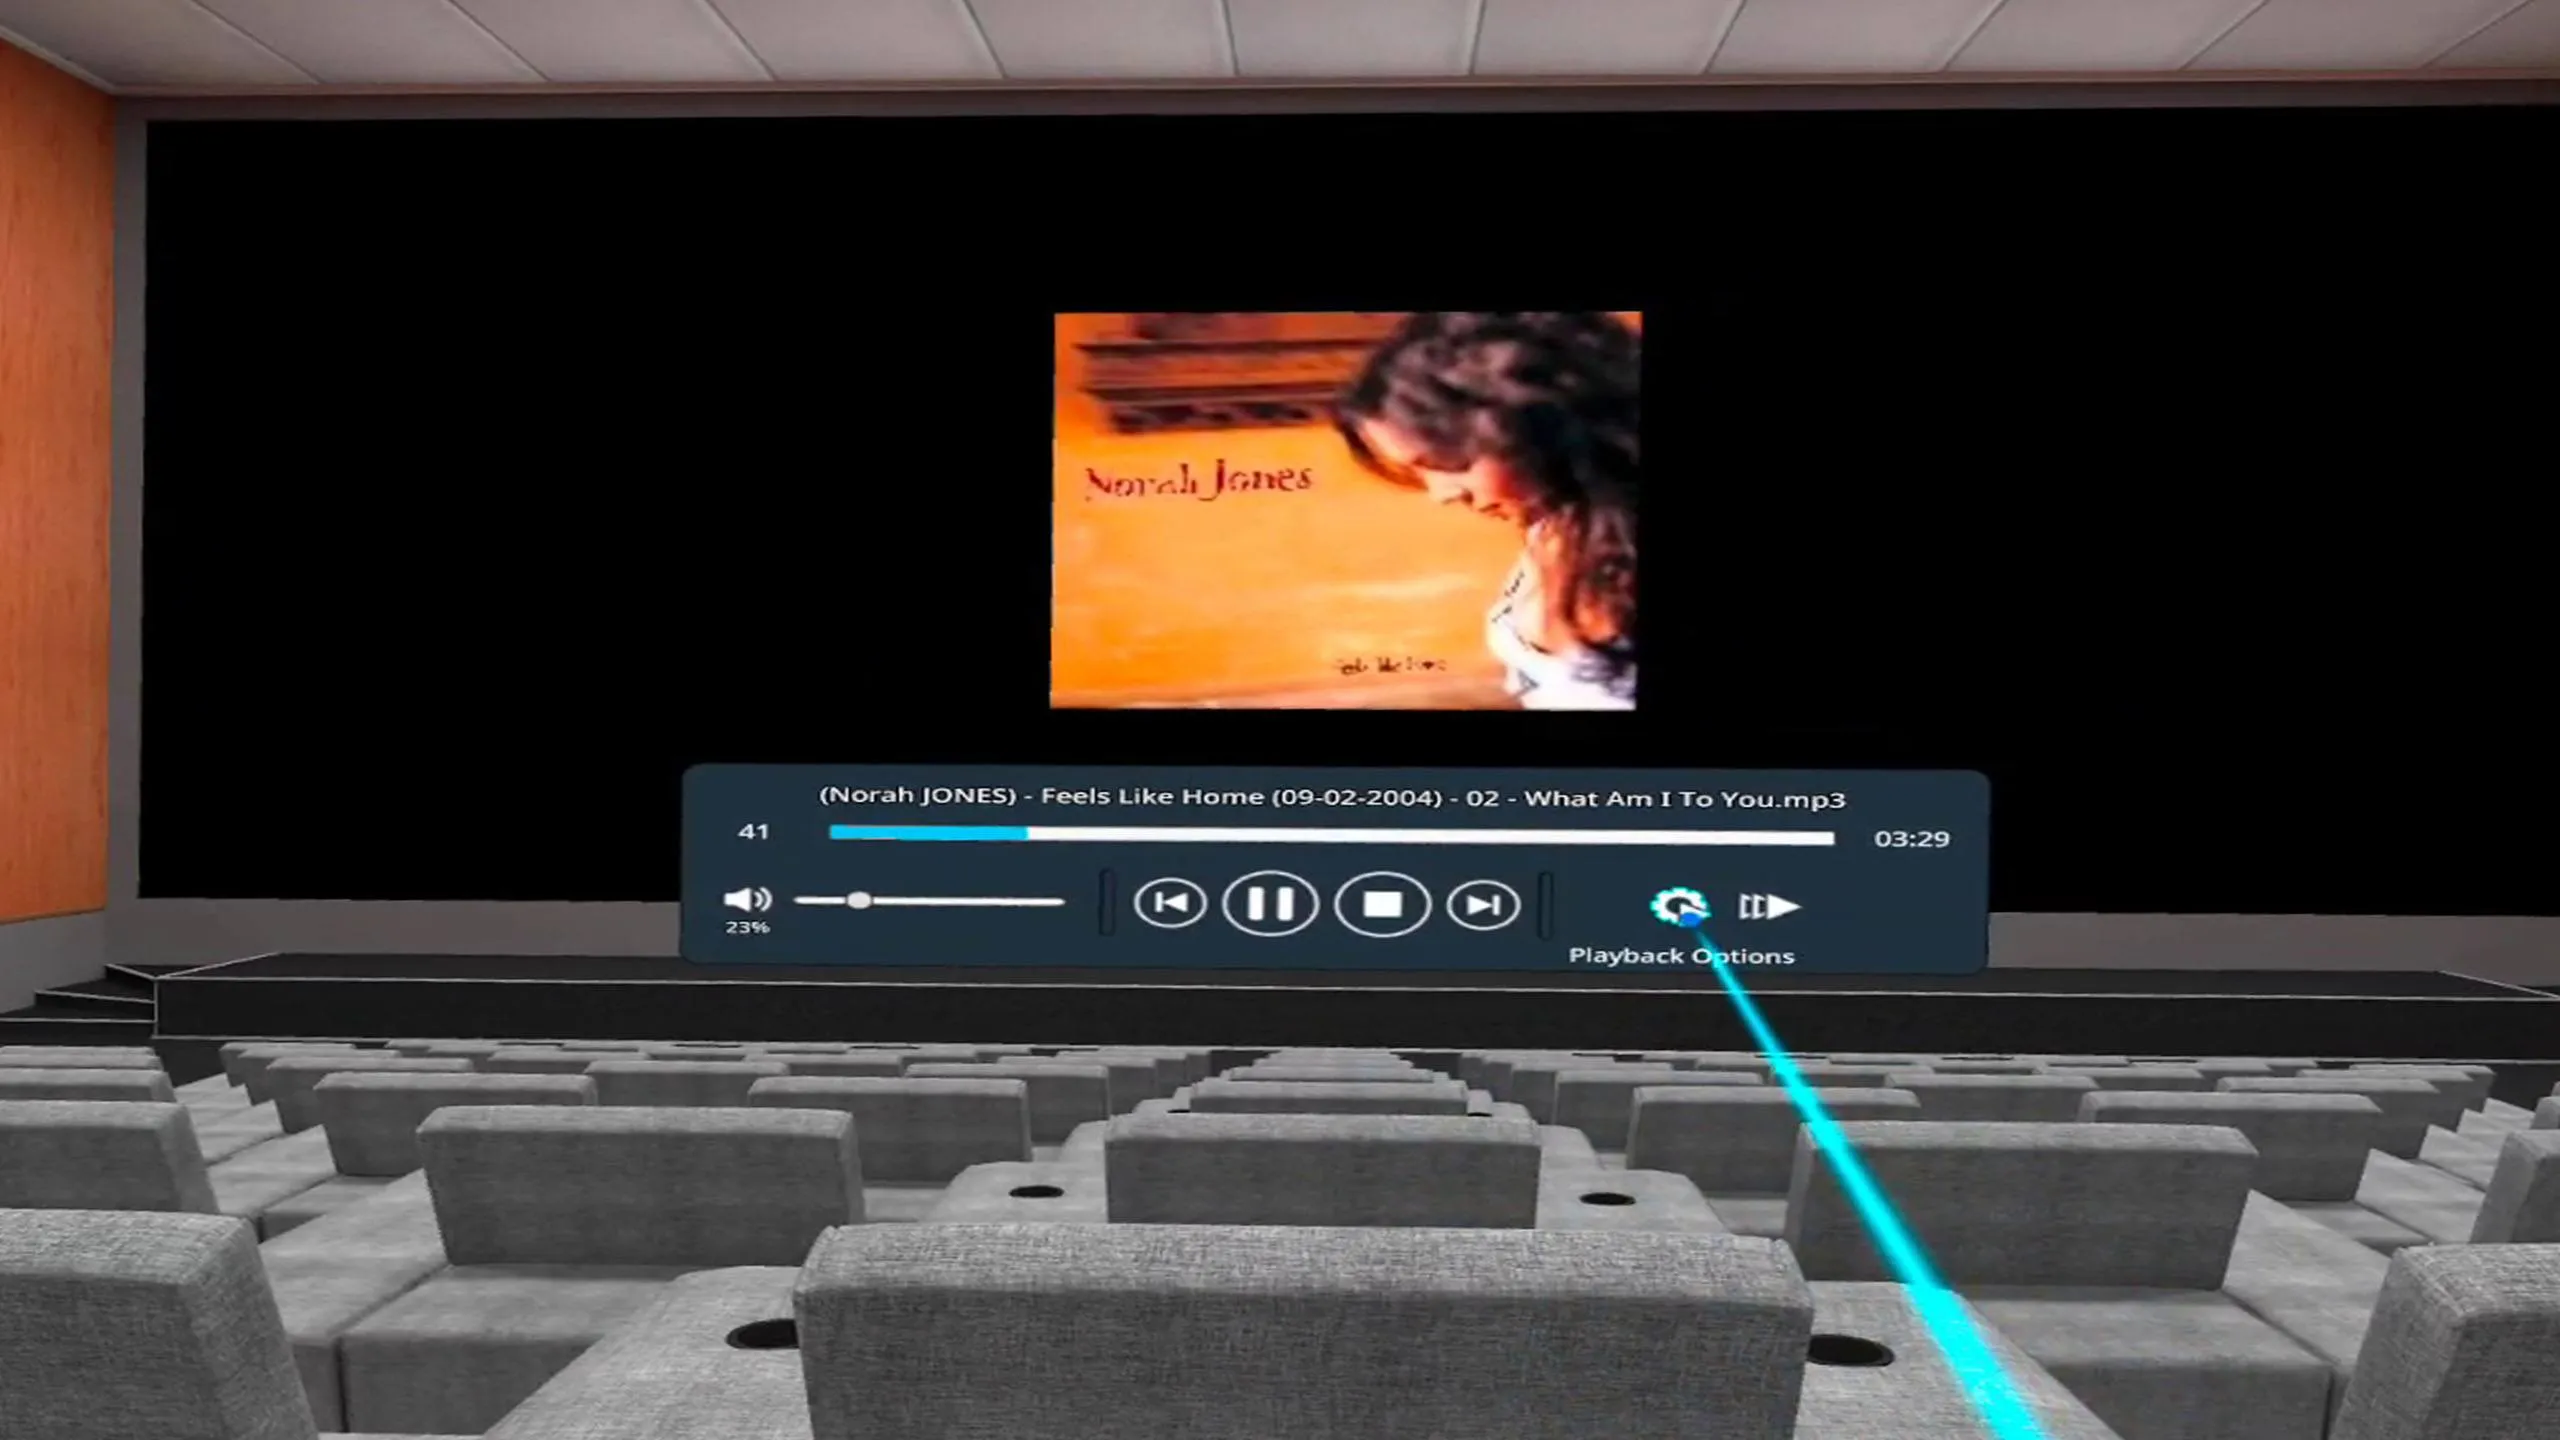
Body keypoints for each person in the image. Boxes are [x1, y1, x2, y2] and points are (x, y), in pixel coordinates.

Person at [1335, 312, 1639, 709]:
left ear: (1539, 427)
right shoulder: (1552, 524)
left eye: (1448, 463)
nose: (1441, 494)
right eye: (1415, 472)